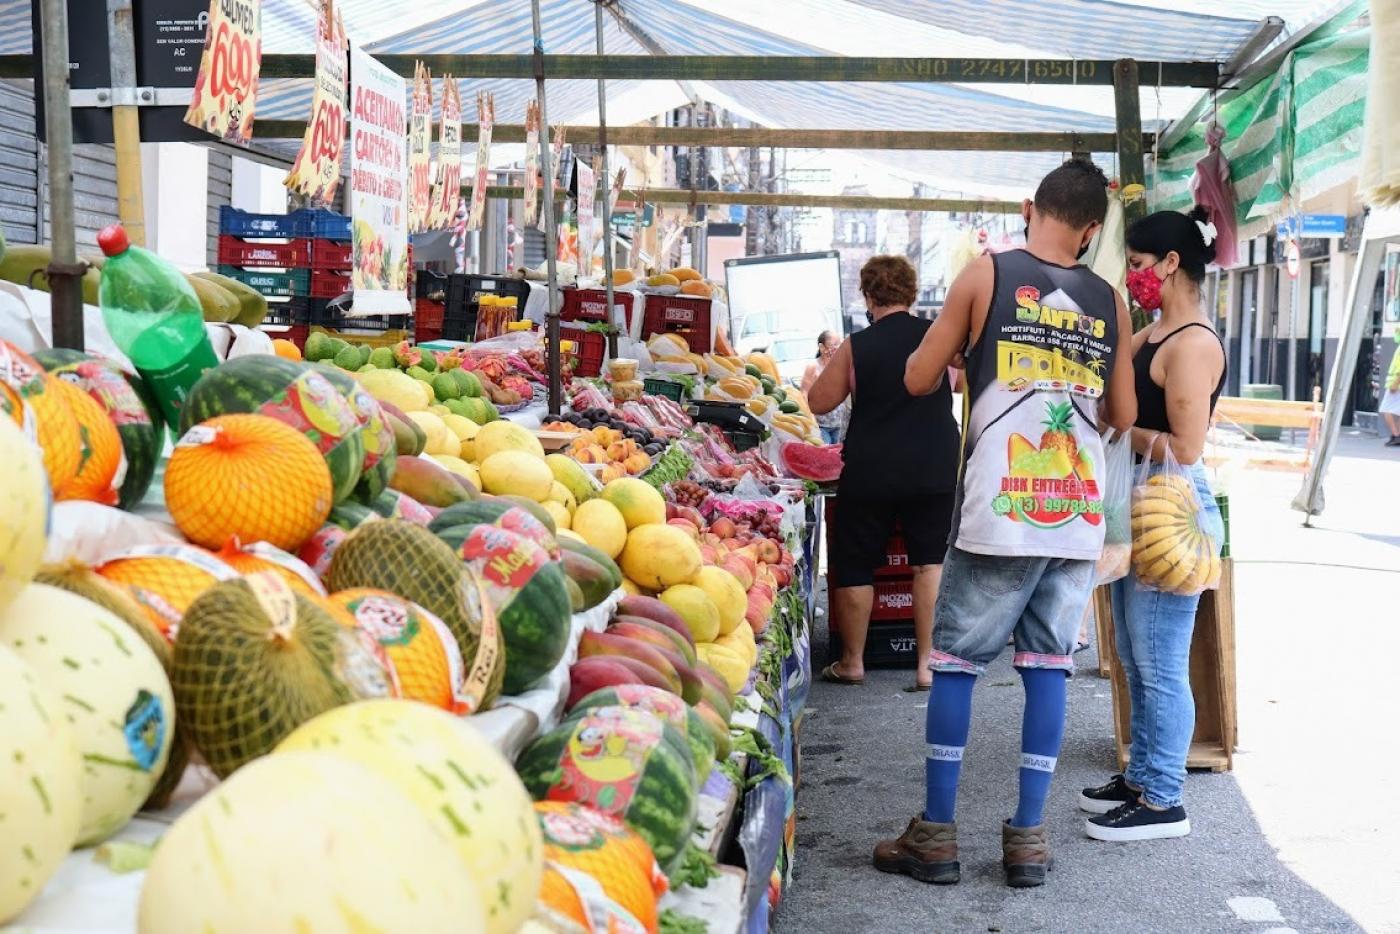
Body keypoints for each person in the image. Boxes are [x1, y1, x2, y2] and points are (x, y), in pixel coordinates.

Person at [873, 159, 1136, 888]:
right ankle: (1027, 838)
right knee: (1048, 665)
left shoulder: (985, 276)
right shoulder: (1111, 301)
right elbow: (1123, 417)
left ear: (1030, 208)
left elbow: (917, 378)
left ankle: (937, 834)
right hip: (1074, 515)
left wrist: (966, 351)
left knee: (956, 662)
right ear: (1090, 232)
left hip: (1000, 508)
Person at [1080, 207, 1227, 842]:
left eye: (1139, 266)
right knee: (1137, 658)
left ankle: (1165, 798)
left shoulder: (1192, 344)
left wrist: (1114, 427)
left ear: (1171, 264)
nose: (1133, 277)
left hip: (1170, 507)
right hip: (1137, 499)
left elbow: (1186, 448)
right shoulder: (1154, 333)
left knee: (1162, 659)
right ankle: (1141, 774)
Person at [809, 256, 961, 691]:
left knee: (856, 562)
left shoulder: (857, 345)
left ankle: (853, 662)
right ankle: (927, 664)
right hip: (933, 462)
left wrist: (836, 367)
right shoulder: (938, 338)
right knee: (929, 562)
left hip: (872, 466)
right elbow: (965, 382)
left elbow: (819, 403)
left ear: (869, 295)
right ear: (911, 295)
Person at [803, 330, 848, 444]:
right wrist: (811, 421)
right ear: (821, 347)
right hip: (821, 426)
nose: (837, 348)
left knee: (838, 458)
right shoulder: (813, 367)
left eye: (839, 344)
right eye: (834, 345)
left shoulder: (842, 366)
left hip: (840, 424)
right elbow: (804, 394)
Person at [1380, 341, 1400, 446]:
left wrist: (1395, 384)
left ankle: (1396, 435)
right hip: (1396, 384)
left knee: (1386, 409)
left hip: (1395, 385)